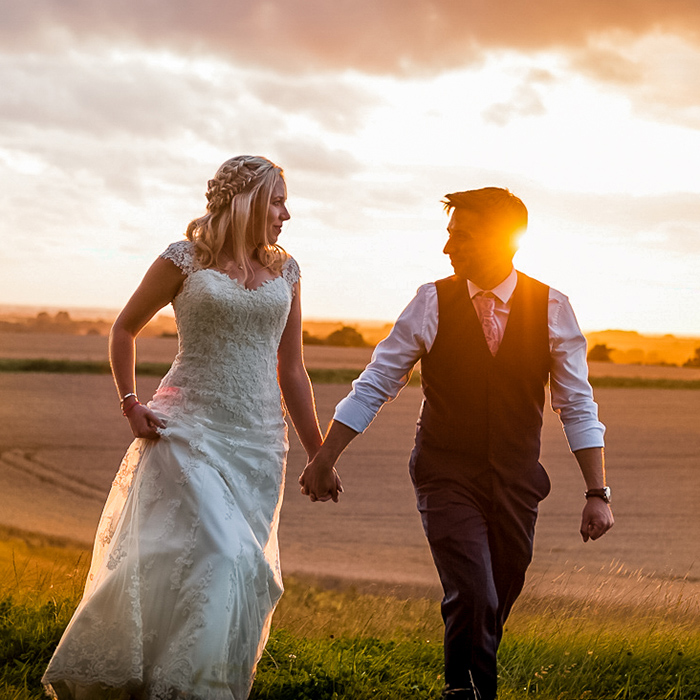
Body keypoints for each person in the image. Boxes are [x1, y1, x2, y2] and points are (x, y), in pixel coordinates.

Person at [299, 187, 614, 700]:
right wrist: (324, 457)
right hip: (445, 472)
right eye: (448, 235)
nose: (448, 248)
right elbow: (376, 383)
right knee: (473, 591)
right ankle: (464, 693)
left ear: (502, 241)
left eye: (460, 236)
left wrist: (596, 493)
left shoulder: (553, 308)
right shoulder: (431, 302)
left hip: (516, 482)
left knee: (494, 602)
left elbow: (577, 404)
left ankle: (460, 687)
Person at [42, 155, 325, 700]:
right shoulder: (184, 259)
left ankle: (196, 681)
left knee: (235, 570)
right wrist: (130, 404)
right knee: (221, 553)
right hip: (185, 427)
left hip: (260, 439)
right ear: (246, 201)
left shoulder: (288, 271)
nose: (286, 214)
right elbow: (124, 328)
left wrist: (319, 453)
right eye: (278, 200)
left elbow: (292, 369)